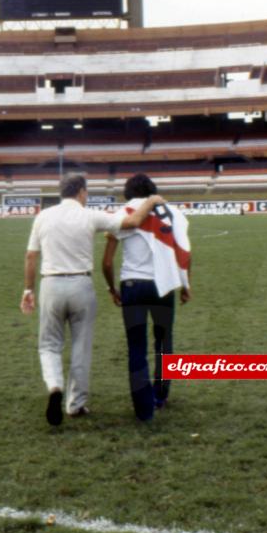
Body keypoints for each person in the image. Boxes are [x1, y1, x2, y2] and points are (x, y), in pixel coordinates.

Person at [22, 173, 165, 426]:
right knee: (81, 347)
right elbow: (132, 221)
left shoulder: (43, 216)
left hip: (51, 284)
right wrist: (152, 200)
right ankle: (76, 404)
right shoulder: (90, 215)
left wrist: (28, 291)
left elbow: (31, 257)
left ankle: (54, 386)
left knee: (49, 345)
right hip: (81, 284)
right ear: (81, 192)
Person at [101, 173, 191, 422]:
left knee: (136, 348)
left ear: (128, 192)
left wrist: (111, 288)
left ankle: (144, 410)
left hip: (132, 285)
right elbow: (185, 252)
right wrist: (186, 285)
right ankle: (161, 396)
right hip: (163, 286)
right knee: (164, 343)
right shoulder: (172, 213)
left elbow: (107, 262)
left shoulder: (123, 213)